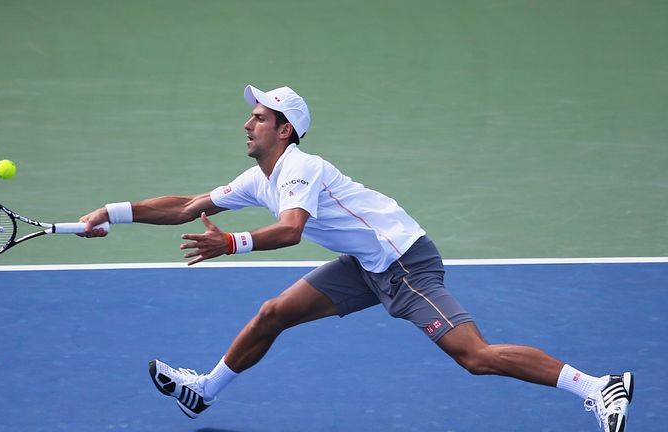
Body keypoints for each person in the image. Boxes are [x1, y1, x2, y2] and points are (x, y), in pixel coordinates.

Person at [79, 85, 633, 431]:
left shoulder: (300, 167)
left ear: (285, 128)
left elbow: (291, 231)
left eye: (259, 117)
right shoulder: (261, 176)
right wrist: (112, 210)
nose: (247, 123)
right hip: (365, 264)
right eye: (251, 116)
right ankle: (203, 392)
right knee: (275, 313)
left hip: (403, 262)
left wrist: (231, 243)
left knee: (474, 355)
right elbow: (186, 206)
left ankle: (596, 385)